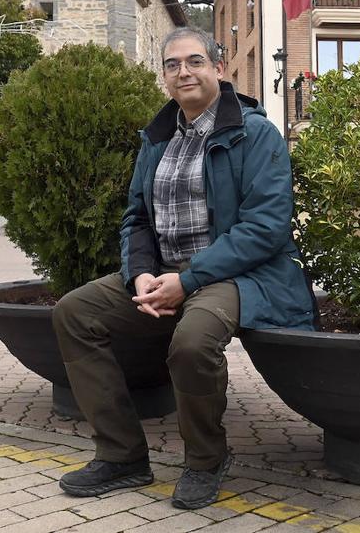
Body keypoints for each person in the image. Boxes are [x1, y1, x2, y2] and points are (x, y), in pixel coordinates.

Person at [51, 27, 313, 509]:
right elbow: (137, 217)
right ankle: (123, 455)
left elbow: (266, 227)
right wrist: (141, 275)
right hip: (167, 272)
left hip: (238, 276)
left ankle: (205, 461)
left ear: (218, 68)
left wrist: (189, 279)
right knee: (75, 312)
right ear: (165, 78)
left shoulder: (255, 133)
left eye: (194, 61)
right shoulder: (157, 138)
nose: (183, 72)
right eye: (172, 65)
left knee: (192, 341)